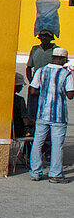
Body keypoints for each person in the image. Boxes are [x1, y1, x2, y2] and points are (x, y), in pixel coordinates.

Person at [27, 46, 74, 183]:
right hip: (58, 116)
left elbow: (33, 91)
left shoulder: (41, 71)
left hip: (42, 114)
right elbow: (70, 95)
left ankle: (35, 172)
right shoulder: (66, 74)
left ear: (52, 58)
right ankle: (55, 174)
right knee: (57, 144)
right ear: (64, 60)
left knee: (38, 142)